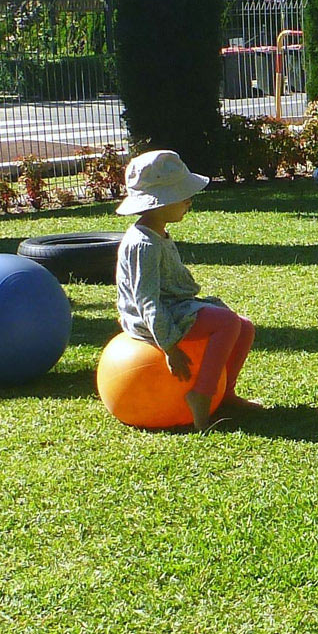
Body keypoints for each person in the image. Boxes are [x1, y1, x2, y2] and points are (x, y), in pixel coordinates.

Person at [115, 149, 258, 431]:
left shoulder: (157, 232)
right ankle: (201, 395)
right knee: (228, 324)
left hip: (173, 306)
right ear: (159, 203)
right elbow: (146, 301)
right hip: (153, 321)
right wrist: (169, 346)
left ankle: (225, 393)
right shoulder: (143, 244)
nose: (189, 201)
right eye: (182, 195)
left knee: (244, 326)